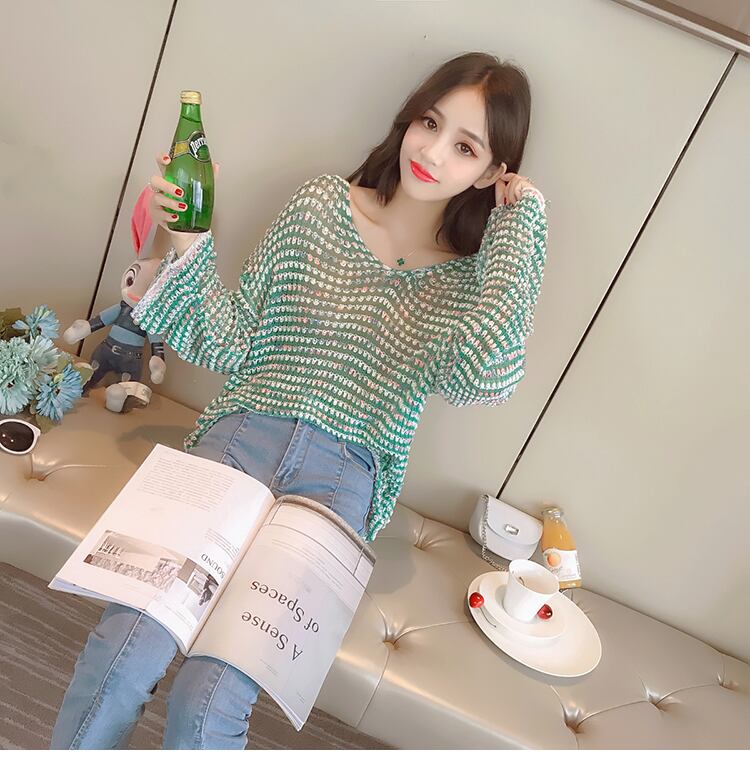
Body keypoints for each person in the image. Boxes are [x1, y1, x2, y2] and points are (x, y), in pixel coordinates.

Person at [50, 51, 548, 750]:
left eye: (466, 147)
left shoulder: (472, 284)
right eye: (430, 123)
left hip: (341, 481)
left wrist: (520, 227)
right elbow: (230, 339)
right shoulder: (320, 206)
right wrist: (184, 232)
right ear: (409, 117)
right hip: (240, 433)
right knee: (125, 648)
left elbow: (485, 376)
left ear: (493, 172)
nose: (434, 153)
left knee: (209, 699)